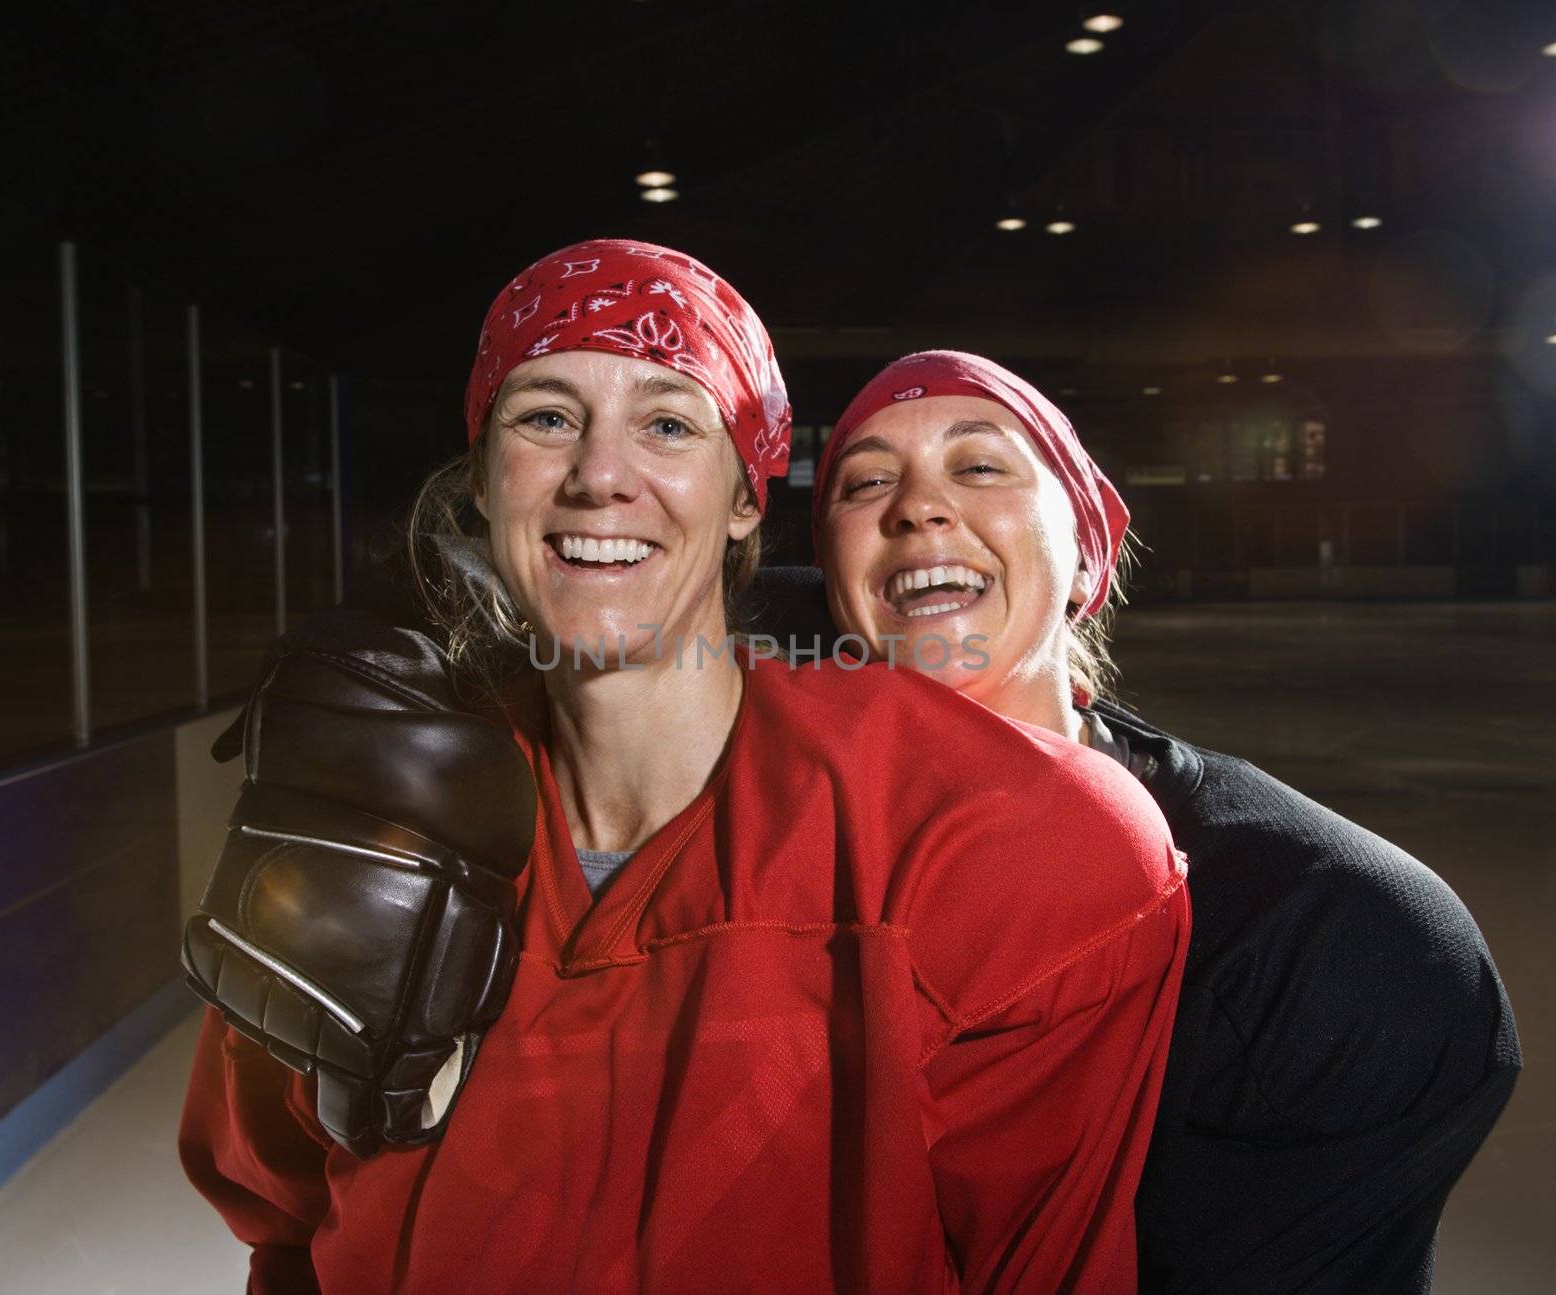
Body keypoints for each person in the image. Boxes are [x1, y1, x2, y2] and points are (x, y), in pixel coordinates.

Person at [180, 246, 1191, 1293]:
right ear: (484, 481)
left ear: (746, 495)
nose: (599, 474)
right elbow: (283, 1221)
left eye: (667, 422)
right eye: (545, 417)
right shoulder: (358, 809)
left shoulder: (1005, 841)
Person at [807, 349, 1521, 1293]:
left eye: (980, 465)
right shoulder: (756, 868)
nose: (917, 506)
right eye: (866, 481)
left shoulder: (1322, 936)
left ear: (1087, 552)